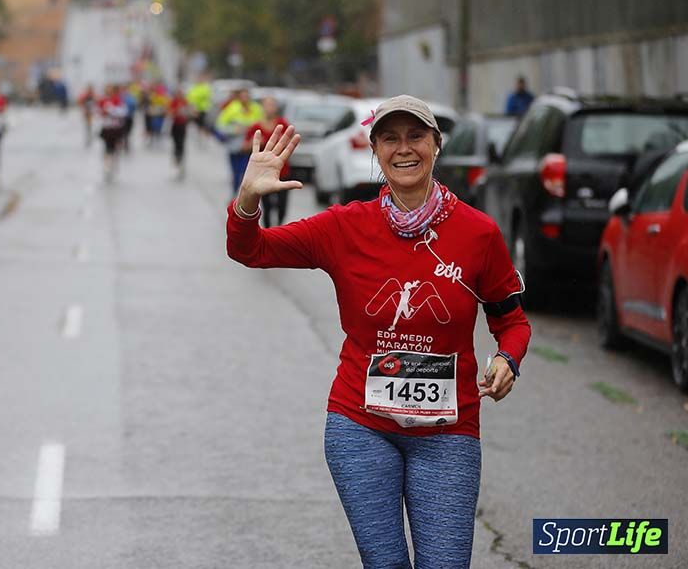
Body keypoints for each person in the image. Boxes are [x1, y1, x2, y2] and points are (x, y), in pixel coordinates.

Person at [226, 94, 530, 568]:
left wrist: (506, 359)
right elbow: (251, 251)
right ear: (374, 150)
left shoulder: (478, 234)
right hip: (359, 426)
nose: (403, 148)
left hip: (448, 433)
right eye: (390, 138)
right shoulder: (344, 227)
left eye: (415, 137)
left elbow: (510, 319)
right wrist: (247, 200)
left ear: (436, 145)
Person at [242, 97, 291, 227]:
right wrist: (254, 143)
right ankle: (268, 231)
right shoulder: (255, 127)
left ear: (276, 108)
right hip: (262, 173)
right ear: (262, 107)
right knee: (267, 206)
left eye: (272, 105)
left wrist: (283, 143)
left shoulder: (282, 124)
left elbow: (291, 143)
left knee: (282, 205)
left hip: (282, 172)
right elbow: (244, 146)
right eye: (267, 105)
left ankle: (280, 226)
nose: (270, 108)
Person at [216, 88, 264, 194]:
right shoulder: (232, 108)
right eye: (242, 97)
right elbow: (220, 126)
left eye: (247, 97)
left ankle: (243, 195)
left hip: (250, 147)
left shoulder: (256, 109)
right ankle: (235, 193)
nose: (245, 99)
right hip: (234, 147)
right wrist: (234, 130)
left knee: (246, 172)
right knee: (235, 172)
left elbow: (262, 125)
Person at [97, 84, 128, 182]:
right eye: (107, 90)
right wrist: (103, 112)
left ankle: (114, 161)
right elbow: (98, 111)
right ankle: (107, 164)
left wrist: (112, 110)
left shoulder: (118, 100)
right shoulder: (102, 100)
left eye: (111, 90)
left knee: (115, 147)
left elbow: (124, 112)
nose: (109, 92)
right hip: (107, 127)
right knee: (107, 147)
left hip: (116, 128)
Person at [167, 88, 191, 179]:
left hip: (182, 126)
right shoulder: (173, 102)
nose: (179, 95)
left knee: (181, 144)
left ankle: (180, 161)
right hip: (175, 126)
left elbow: (190, 112)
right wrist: (176, 112)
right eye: (178, 93)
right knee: (176, 143)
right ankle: (176, 158)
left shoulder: (185, 102)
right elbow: (169, 112)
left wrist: (187, 112)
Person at [186, 73, 213, 143]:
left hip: (203, 109)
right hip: (195, 109)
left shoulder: (205, 87)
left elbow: (207, 96)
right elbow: (190, 97)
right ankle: (198, 137)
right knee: (196, 123)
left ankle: (204, 137)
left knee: (203, 123)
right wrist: (192, 107)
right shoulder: (194, 87)